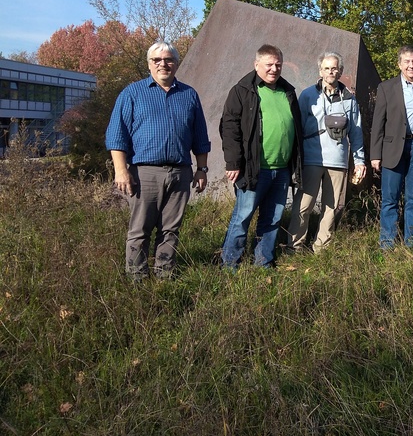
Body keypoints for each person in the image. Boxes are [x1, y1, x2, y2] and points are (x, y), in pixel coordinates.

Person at [106, 41, 211, 281]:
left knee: (170, 230)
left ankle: (165, 276)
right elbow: (116, 135)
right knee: (140, 230)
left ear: (176, 63)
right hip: (144, 174)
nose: (163, 64)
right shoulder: (132, 93)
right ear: (149, 64)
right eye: (157, 60)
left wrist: (201, 169)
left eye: (168, 60)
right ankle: (137, 280)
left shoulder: (189, 95)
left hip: (180, 173)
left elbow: (200, 137)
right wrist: (121, 170)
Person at [219, 44, 303, 269]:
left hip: (282, 168)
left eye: (278, 64)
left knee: (273, 219)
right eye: (269, 64)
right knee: (243, 217)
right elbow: (229, 128)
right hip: (254, 169)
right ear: (257, 65)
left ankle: (263, 261)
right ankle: (230, 264)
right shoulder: (243, 91)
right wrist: (234, 162)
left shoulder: (288, 91)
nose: (274, 69)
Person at [287, 51, 366, 252]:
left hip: (338, 161)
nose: (331, 72)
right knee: (303, 205)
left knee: (330, 208)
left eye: (335, 68)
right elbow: (298, 127)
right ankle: (294, 246)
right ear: (320, 70)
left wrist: (359, 160)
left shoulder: (350, 99)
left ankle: (321, 248)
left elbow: (356, 132)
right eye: (327, 68)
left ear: (341, 71)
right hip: (312, 159)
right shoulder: (307, 95)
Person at [371, 45, 413, 249]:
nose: (411, 65)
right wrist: (375, 154)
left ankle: (411, 244)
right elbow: (378, 123)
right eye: (407, 61)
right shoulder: (386, 87)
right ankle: (387, 244)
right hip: (393, 148)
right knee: (390, 199)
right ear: (399, 64)